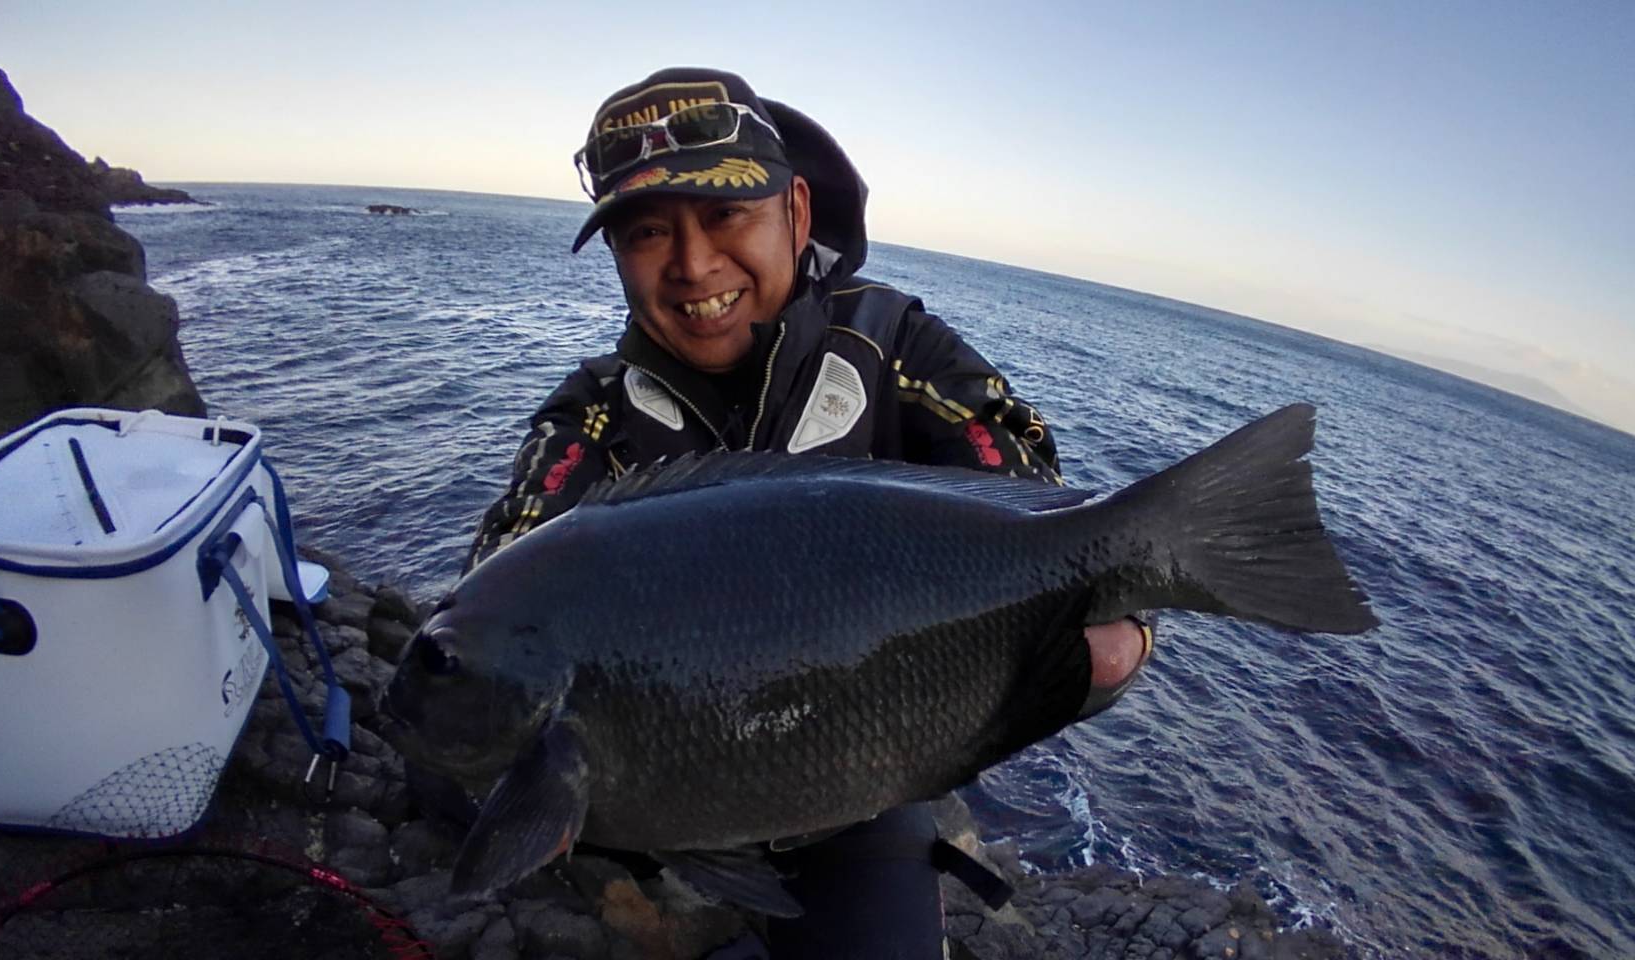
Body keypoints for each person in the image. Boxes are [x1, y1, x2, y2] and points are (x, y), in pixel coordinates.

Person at [464, 67, 1151, 958]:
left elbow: (1036, 503)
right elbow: (494, 591)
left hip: (851, 790)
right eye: (645, 233)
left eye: (724, 214)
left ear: (794, 208)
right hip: (636, 795)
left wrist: (1117, 618)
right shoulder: (590, 412)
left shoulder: (897, 347)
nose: (693, 264)